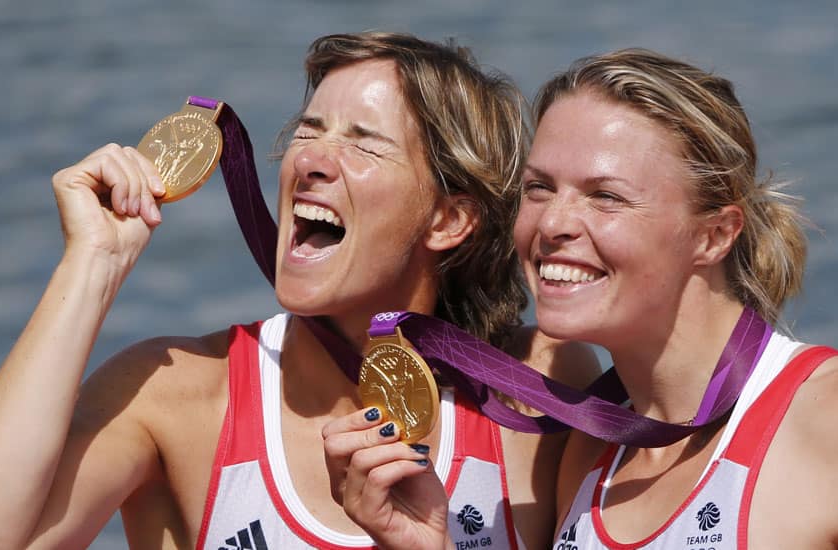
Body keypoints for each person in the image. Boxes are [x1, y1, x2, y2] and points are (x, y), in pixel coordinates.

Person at [0, 32, 599, 549]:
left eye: (362, 144)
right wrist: (91, 264)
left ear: (449, 218)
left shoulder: (531, 390)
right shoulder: (177, 395)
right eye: (308, 131)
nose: (309, 160)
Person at [326, 48, 837, 549]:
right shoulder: (591, 447)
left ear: (714, 235)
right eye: (540, 188)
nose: (552, 223)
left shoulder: (820, 415)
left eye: (605, 196)